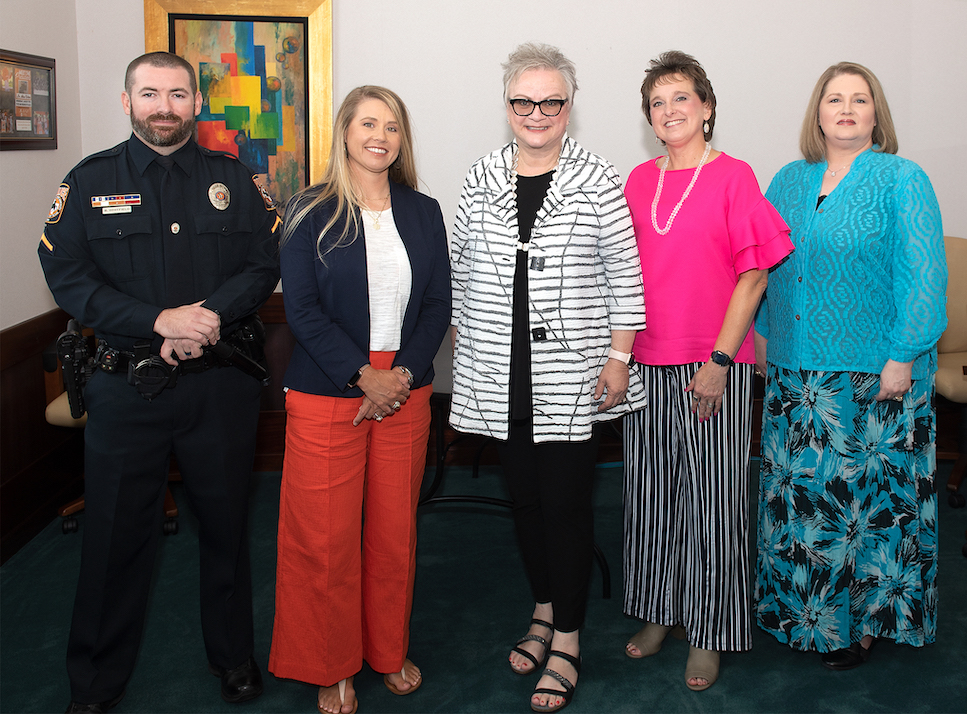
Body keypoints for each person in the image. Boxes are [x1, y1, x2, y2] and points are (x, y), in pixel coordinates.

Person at [37, 52, 280, 713]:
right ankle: (94, 683)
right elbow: (69, 277)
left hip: (218, 386)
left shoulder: (237, 179)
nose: (164, 106)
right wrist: (157, 319)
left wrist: (205, 318)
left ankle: (233, 660)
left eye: (177, 94)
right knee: (114, 540)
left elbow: (262, 265)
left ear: (197, 102)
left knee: (227, 530)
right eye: (150, 94)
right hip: (125, 390)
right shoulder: (90, 182)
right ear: (127, 103)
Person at [450, 42, 646, 713]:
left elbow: (626, 277)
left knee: (564, 506)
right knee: (526, 501)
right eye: (524, 101)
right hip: (501, 377)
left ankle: (567, 638)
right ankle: (542, 608)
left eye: (551, 101)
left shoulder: (598, 179)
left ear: (569, 107)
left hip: (574, 375)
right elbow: (461, 273)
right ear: (507, 107)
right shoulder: (480, 177)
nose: (537, 112)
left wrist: (620, 358)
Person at [754, 62, 947, 671]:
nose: (846, 108)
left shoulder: (901, 179)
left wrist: (902, 356)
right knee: (799, 502)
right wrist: (760, 337)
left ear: (875, 114)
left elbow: (925, 279)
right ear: (817, 112)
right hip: (793, 371)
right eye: (833, 98)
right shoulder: (787, 180)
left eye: (859, 100)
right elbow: (760, 267)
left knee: (863, 508)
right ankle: (798, 611)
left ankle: (861, 624)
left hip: (873, 375)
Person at [268, 85, 450, 714]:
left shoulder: (423, 211)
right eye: (369, 123)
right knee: (325, 539)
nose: (381, 135)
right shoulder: (306, 211)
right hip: (327, 389)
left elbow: (436, 305)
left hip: (406, 388)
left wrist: (400, 374)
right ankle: (332, 664)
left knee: (394, 533)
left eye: (393, 126)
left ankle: (386, 652)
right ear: (344, 131)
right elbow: (301, 309)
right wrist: (360, 375)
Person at [620, 51, 793, 692]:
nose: (669, 111)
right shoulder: (637, 181)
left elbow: (754, 274)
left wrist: (720, 360)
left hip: (714, 361)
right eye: (657, 102)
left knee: (714, 502)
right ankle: (661, 611)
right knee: (652, 497)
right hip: (647, 359)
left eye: (681, 99)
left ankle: (711, 628)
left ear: (707, 107)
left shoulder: (734, 176)